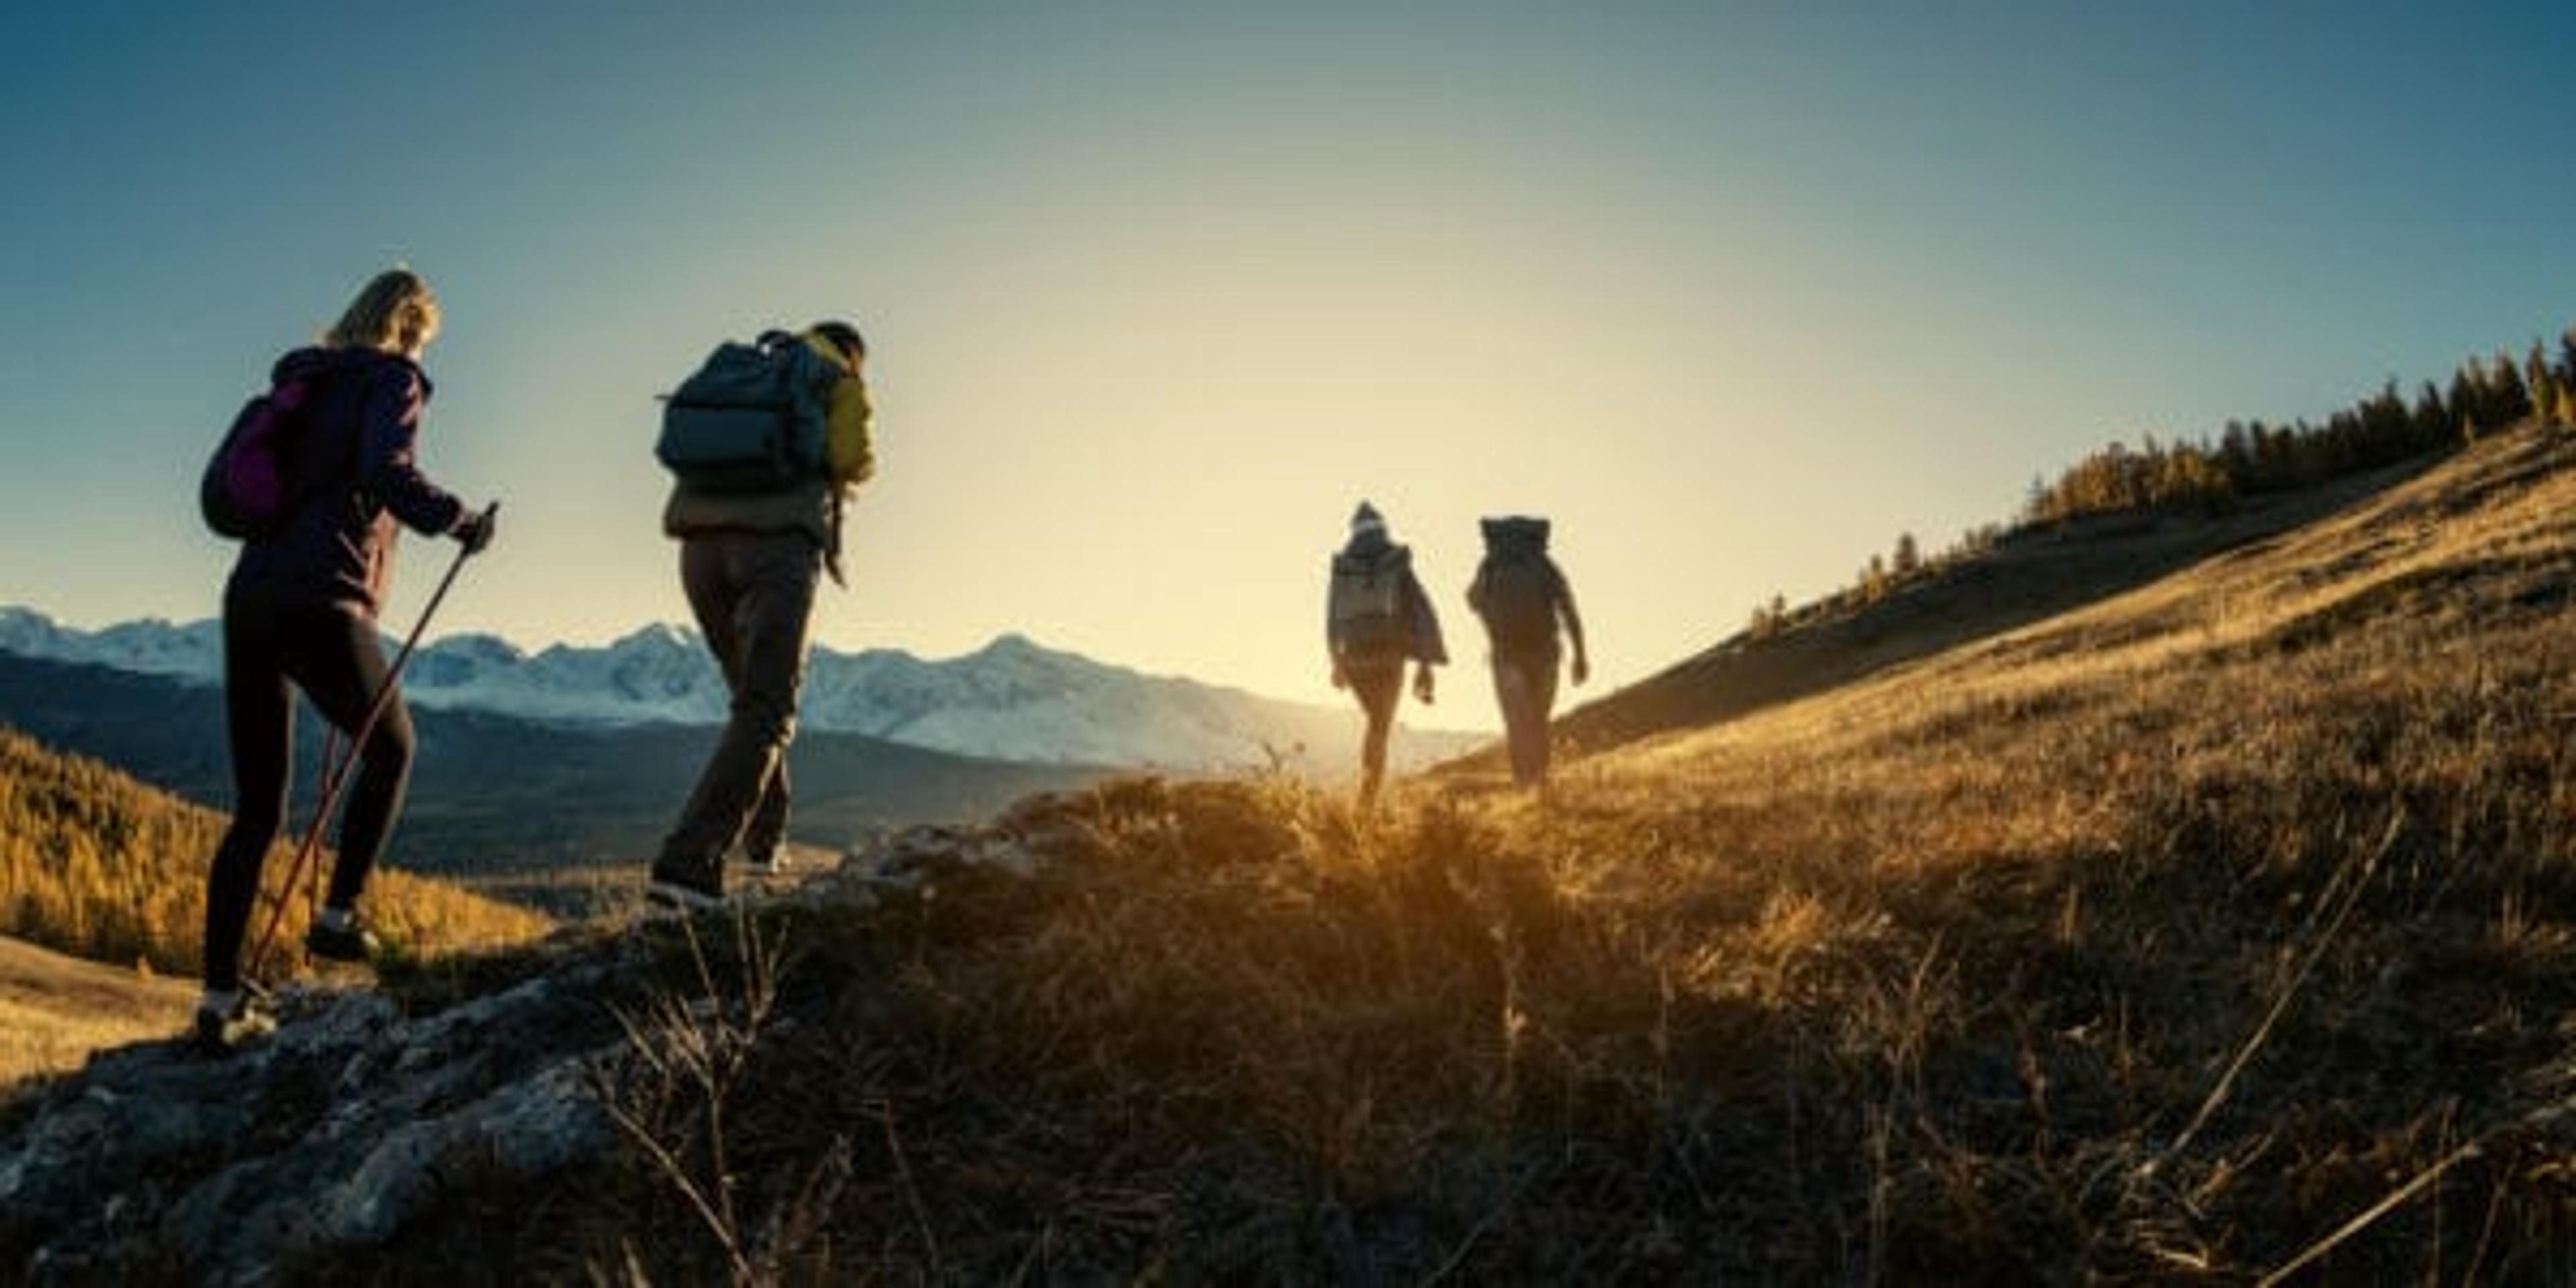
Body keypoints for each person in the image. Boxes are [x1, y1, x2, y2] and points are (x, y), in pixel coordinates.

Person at [198, 268, 498, 1051]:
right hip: (321, 593)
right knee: (393, 748)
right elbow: (385, 472)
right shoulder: (393, 378)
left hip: (252, 594)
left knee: (257, 810)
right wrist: (460, 520)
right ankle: (337, 920)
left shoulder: (303, 379)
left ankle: (220, 999)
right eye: (424, 336)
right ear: (408, 324)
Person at [649, 320, 873, 909]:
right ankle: (688, 866)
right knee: (767, 708)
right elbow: (854, 458)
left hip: (699, 552)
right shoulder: (839, 378)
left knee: (751, 702)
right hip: (775, 551)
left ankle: (764, 841)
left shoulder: (748, 366)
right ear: (854, 355)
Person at [1326, 502, 1446, 810]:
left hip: (1353, 659)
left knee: (1375, 722)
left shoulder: (1342, 568)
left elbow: (1331, 618)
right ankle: (1367, 801)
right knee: (1380, 725)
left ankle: (1367, 797)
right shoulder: (1397, 564)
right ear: (1383, 530)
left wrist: (1336, 663)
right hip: (1388, 657)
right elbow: (1421, 611)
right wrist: (1425, 664)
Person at [1466, 515, 1588, 790]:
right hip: (1546, 654)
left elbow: (1472, 600)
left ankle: (1523, 785)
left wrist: (1491, 622)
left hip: (1506, 655)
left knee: (1516, 723)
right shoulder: (1544, 565)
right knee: (1539, 721)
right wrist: (1580, 656)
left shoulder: (1491, 564)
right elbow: (1569, 610)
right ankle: (1541, 784)